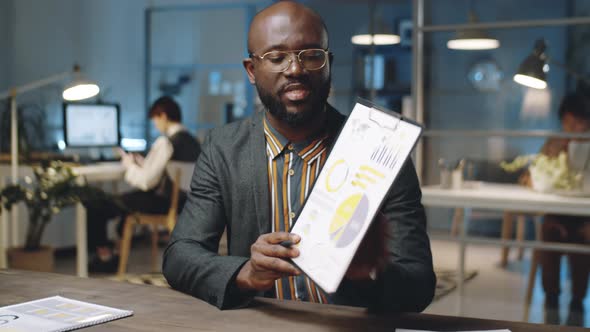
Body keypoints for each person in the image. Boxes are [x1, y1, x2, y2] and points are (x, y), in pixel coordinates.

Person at [163, 1, 435, 311]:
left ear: (329, 63)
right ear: (251, 70)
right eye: (276, 57)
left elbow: (420, 285)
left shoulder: (380, 151)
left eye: (312, 56)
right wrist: (246, 273)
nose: (295, 69)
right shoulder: (223, 148)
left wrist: (367, 272)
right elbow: (180, 255)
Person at [86, 96, 201, 273]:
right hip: (183, 203)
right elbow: (164, 172)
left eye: (155, 119)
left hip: (161, 203)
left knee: (97, 204)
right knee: (121, 207)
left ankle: (105, 256)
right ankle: (112, 254)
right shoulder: (193, 142)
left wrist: (129, 165)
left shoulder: (166, 142)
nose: (155, 125)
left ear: (162, 115)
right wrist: (144, 163)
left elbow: (147, 182)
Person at [536, 93, 590, 326]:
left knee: (583, 240)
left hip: (586, 216)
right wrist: (553, 153)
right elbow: (534, 174)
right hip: (557, 212)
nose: (572, 128)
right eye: (567, 122)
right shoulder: (555, 142)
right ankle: (551, 301)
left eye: (578, 123)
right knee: (549, 233)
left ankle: (577, 304)